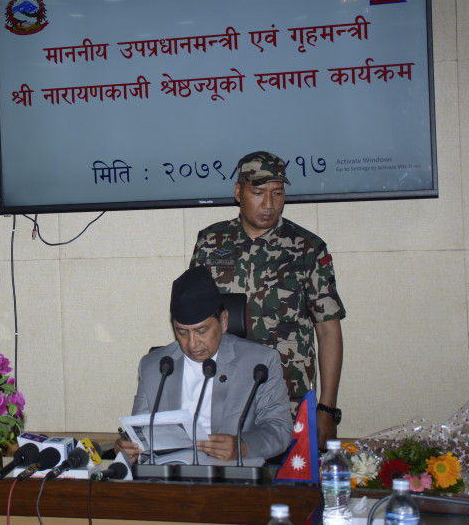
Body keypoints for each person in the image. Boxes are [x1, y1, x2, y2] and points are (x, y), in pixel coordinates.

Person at [190, 150, 345, 448]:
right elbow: (193, 320)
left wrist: (327, 409)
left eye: (277, 193)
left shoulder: (307, 248)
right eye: (258, 193)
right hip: (222, 396)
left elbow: (328, 329)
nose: (269, 204)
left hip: (289, 399)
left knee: (291, 476)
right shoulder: (210, 243)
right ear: (239, 192)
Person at [114, 266, 292, 463]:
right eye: (182, 332)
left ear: (224, 321)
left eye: (202, 331)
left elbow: (279, 429)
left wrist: (242, 446)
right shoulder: (154, 367)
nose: (192, 344)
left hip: (231, 472)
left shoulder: (259, 363)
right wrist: (128, 449)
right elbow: (140, 435)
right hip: (170, 473)